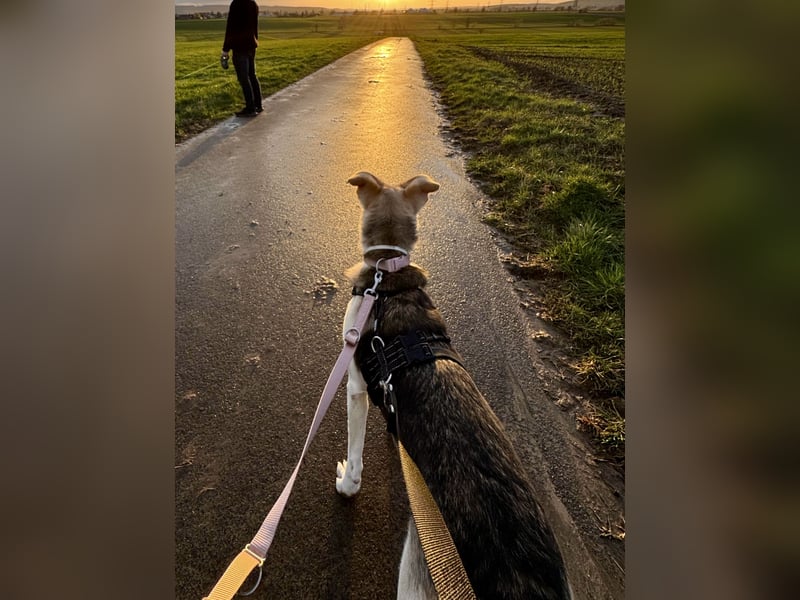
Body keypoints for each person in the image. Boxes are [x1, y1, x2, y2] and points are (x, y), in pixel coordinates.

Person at [221, 0, 262, 117]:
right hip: (251, 44)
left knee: (244, 78)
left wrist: (225, 49)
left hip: (239, 46)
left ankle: (250, 108)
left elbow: (230, 27)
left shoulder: (236, 4)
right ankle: (258, 105)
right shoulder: (253, 3)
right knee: (252, 75)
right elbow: (255, 26)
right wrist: (255, 41)